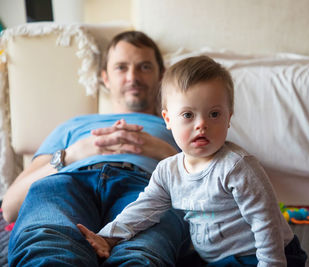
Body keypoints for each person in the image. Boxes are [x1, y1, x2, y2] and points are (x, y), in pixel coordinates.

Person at [77, 56, 308, 267]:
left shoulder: (236, 167)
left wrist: (272, 264)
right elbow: (144, 209)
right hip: (215, 256)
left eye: (214, 114)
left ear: (229, 117)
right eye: (188, 115)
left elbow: (265, 221)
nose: (201, 124)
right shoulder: (168, 170)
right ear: (168, 119)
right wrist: (107, 236)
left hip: (263, 255)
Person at [2, 31, 194, 266]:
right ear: (105, 78)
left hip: (149, 190)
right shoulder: (73, 126)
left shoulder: (183, 122)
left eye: (144, 67)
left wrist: (165, 153)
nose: (132, 77)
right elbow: (10, 208)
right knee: (48, 245)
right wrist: (71, 155)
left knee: (141, 255)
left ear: (161, 75)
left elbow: (212, 191)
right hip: (68, 183)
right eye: (121, 68)